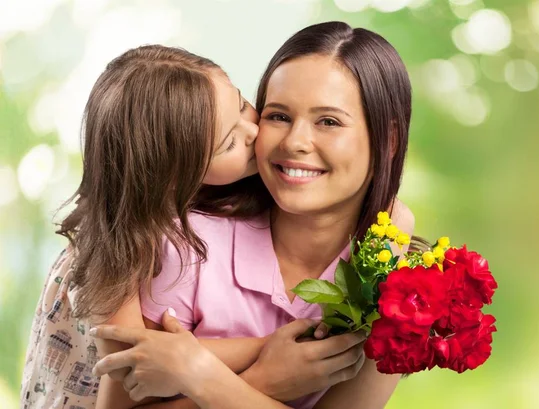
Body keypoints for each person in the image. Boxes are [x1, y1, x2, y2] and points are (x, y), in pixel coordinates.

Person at [20, 44, 367, 409]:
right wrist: (266, 364)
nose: (255, 132)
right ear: (173, 174)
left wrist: (194, 363)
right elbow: (135, 370)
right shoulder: (115, 249)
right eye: (230, 141)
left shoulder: (233, 194)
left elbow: (395, 212)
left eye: (242, 104)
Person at [93, 21, 415, 409]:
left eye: (328, 121)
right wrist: (267, 377)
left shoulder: (398, 280)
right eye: (278, 115)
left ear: (389, 140)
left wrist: (198, 371)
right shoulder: (187, 244)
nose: (295, 142)